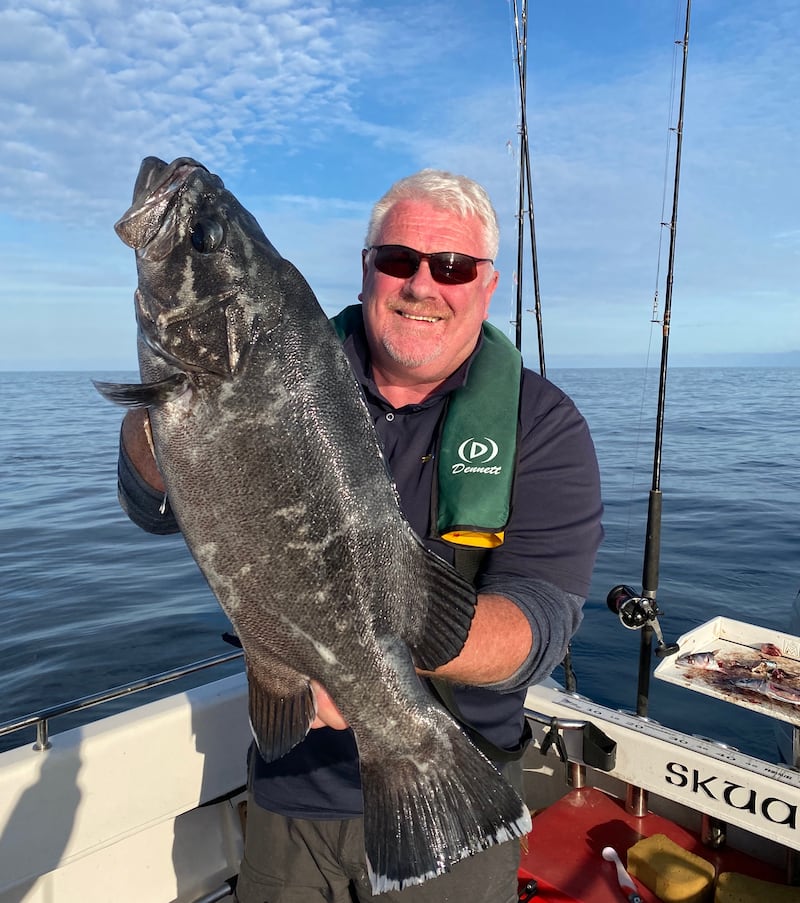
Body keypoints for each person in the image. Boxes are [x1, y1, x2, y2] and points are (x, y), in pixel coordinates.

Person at [116, 169, 604, 902]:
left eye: (452, 266)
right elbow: (151, 509)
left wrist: (372, 667)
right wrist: (160, 411)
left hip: (454, 774)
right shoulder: (295, 353)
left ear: (487, 285)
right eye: (398, 260)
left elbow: (543, 625)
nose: (422, 284)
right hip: (292, 792)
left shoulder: (545, 426)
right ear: (368, 268)